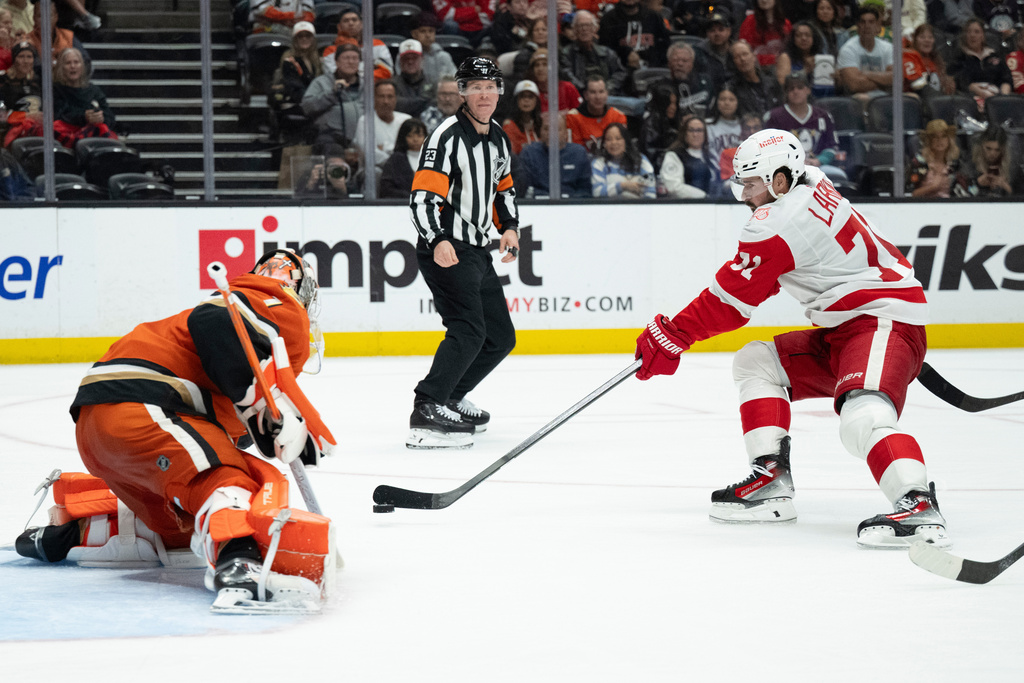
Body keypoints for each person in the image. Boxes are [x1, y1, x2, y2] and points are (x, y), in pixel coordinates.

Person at [633, 128, 950, 549]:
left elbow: (731, 302)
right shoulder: (813, 179)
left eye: (749, 183)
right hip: (851, 326)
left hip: (881, 321)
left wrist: (672, 335)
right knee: (756, 363)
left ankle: (917, 506)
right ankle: (770, 480)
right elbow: (772, 275)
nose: (743, 194)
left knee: (862, 416)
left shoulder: (776, 222)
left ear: (780, 181)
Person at [16, 249, 337, 612]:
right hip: (144, 405)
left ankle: (74, 533)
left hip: (102, 425)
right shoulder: (276, 299)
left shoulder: (244, 309)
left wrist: (266, 421)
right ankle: (238, 566)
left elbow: (226, 402)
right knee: (228, 480)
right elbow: (213, 320)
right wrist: (257, 400)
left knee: (180, 532)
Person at [407, 58, 520, 449]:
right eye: (475, 86)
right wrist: (437, 239)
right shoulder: (445, 138)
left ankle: (451, 396)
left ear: (499, 92)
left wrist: (508, 227)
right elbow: (422, 199)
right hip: (446, 247)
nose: (484, 93)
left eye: (491, 86)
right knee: (469, 329)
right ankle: (427, 408)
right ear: (462, 92)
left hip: (476, 248)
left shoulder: (499, 138)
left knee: (500, 337)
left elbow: (503, 189)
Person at [765, 73, 847, 181]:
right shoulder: (774, 117)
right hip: (786, 169)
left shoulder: (823, 116)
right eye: (791, 89)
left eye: (800, 87)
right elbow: (769, 148)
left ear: (808, 90)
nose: (795, 91)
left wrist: (819, 160)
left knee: (839, 176)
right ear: (785, 93)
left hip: (819, 166)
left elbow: (831, 145)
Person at [52, 47, 118, 148]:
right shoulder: (55, 89)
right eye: (68, 63)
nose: (73, 66)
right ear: (61, 67)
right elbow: (59, 115)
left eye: (76, 62)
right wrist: (84, 117)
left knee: (102, 127)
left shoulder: (94, 90)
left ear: (82, 66)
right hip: (67, 135)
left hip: (92, 134)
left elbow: (110, 116)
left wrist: (101, 117)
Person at [560, 11, 630, 104]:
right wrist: (589, 92)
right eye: (580, 26)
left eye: (588, 25)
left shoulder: (607, 53)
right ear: (574, 30)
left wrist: (605, 89)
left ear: (594, 29)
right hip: (580, 98)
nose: (584, 29)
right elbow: (568, 76)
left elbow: (620, 73)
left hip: (608, 96)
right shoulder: (566, 54)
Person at [301, 43, 362, 149]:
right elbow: (307, 106)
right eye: (346, 58)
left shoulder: (368, 85)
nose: (351, 62)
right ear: (337, 62)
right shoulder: (321, 82)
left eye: (354, 58)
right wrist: (332, 93)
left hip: (364, 137)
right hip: (331, 138)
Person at [519, 113, 593, 197]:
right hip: (538, 206)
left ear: (566, 133)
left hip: (572, 206)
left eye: (556, 129)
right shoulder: (529, 153)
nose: (550, 133)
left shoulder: (578, 153)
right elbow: (525, 188)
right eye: (546, 129)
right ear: (540, 131)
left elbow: (585, 189)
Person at [947, 17, 1013, 111]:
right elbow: (957, 81)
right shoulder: (959, 58)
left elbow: (1006, 78)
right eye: (968, 32)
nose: (972, 35)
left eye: (977, 32)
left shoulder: (994, 55)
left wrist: (1004, 97)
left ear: (983, 35)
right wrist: (974, 89)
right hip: (970, 99)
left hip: (997, 96)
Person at [837, 6, 893, 104]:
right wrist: (885, 83)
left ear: (878, 26)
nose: (867, 26)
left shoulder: (888, 47)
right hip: (858, 100)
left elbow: (896, 79)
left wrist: (866, 74)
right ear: (858, 26)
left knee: (912, 97)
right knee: (862, 98)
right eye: (863, 22)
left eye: (871, 22)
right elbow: (854, 85)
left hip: (887, 98)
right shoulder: (848, 49)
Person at [321, 7, 393, 82]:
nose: (351, 23)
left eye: (354, 20)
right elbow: (335, 76)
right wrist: (370, 69)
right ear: (339, 26)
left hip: (375, 90)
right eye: (346, 21)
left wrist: (356, 76)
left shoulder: (377, 45)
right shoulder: (330, 51)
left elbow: (387, 72)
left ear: (361, 24)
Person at [353, 80, 412, 170]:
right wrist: (397, 159)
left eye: (390, 97)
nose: (386, 101)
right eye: (381, 96)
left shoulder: (406, 120)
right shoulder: (365, 121)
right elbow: (370, 154)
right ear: (374, 99)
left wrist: (384, 147)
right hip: (374, 173)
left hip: (405, 171)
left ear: (396, 99)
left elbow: (413, 149)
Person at [269, 21, 321, 122]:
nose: (304, 39)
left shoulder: (318, 60)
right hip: (296, 102)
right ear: (294, 40)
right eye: (300, 36)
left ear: (313, 39)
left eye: (308, 36)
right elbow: (295, 88)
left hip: (313, 100)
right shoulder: (289, 60)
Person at [591, 122, 657, 198]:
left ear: (626, 141)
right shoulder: (599, 164)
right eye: (609, 139)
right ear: (604, 143)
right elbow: (597, 192)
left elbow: (651, 193)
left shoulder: (642, 161)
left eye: (618, 138)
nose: (613, 143)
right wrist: (623, 186)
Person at [565, 75, 628, 155]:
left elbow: (623, 150)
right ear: (586, 95)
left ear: (607, 94)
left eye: (601, 92)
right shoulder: (572, 117)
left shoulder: (618, 116)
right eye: (593, 92)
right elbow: (574, 152)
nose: (598, 97)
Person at [598, 0, 670, 68]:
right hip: (621, 72)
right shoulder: (608, 20)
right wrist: (626, 53)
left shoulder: (654, 17)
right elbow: (605, 50)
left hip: (653, 69)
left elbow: (664, 45)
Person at [902, 23, 956, 112]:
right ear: (915, 40)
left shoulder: (937, 60)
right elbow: (917, 85)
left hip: (935, 101)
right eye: (922, 37)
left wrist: (948, 84)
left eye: (930, 37)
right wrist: (941, 99)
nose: (927, 40)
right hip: (915, 102)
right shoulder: (909, 56)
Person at [660, 113, 714, 198]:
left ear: (705, 133)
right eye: (691, 130)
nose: (695, 134)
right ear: (685, 133)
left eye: (699, 130)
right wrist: (703, 196)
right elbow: (674, 187)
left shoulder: (712, 156)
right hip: (686, 206)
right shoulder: (674, 156)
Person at [656, 42, 716, 117]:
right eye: (675, 60)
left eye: (685, 61)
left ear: (692, 64)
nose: (680, 64)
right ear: (669, 64)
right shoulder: (661, 87)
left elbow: (714, 108)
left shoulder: (706, 82)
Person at [957, 123, 1018, 196]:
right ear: (981, 146)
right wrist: (977, 184)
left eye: (997, 150)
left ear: (1003, 150)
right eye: (988, 148)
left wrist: (1006, 187)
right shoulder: (970, 167)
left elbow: (1020, 195)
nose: (992, 153)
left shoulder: (1013, 169)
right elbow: (961, 195)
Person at [0, 41, 42, 147]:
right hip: (11, 131)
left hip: (38, 129)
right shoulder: (3, 81)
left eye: (29, 57)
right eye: (21, 56)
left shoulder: (38, 81)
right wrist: (26, 116)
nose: (26, 61)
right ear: (14, 59)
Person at [907, 119, 962, 197]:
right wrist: (932, 187)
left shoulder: (955, 164)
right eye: (935, 137)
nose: (940, 140)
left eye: (943, 136)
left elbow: (966, 191)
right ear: (929, 141)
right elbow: (909, 194)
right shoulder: (919, 163)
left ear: (949, 140)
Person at [729, 40, 784, 118]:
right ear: (733, 62)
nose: (742, 59)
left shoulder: (772, 82)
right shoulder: (733, 88)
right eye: (737, 57)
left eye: (745, 54)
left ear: (754, 56)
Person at [380, 117, 427, 199]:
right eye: (410, 136)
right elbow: (386, 189)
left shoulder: (433, 159)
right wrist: (411, 197)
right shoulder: (395, 160)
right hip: (402, 205)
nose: (415, 139)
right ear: (403, 137)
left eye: (419, 135)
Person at [705, 83, 743, 181]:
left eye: (731, 99)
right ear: (716, 102)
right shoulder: (707, 126)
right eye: (722, 99)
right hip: (716, 177)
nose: (727, 103)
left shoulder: (745, 126)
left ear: (738, 102)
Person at [526, 48, 582, 113]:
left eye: (545, 64)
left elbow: (580, 113)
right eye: (537, 65)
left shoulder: (568, 88)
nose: (540, 69)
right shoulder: (530, 91)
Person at [639, 82, 679, 172]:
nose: (673, 107)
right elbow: (650, 155)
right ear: (662, 102)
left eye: (675, 103)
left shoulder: (669, 121)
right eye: (670, 103)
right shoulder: (651, 124)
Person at [739, 0, 792, 67]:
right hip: (756, 67)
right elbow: (743, 51)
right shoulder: (749, 22)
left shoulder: (785, 24)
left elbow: (791, 51)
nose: (764, 0)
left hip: (782, 67)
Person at [394, 39, 437, 118]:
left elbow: (437, 103)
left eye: (414, 58)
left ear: (422, 59)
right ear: (400, 62)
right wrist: (425, 101)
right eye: (406, 58)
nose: (410, 62)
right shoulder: (393, 84)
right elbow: (397, 105)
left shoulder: (433, 81)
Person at [502, 79, 542, 154]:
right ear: (516, 101)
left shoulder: (543, 124)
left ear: (536, 101)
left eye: (530, 97)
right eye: (523, 97)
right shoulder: (509, 126)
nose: (526, 100)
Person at [249, 0, 313, 35]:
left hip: (292, 30)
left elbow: (310, 13)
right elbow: (261, 10)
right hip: (266, 29)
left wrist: (300, 22)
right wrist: (290, 17)